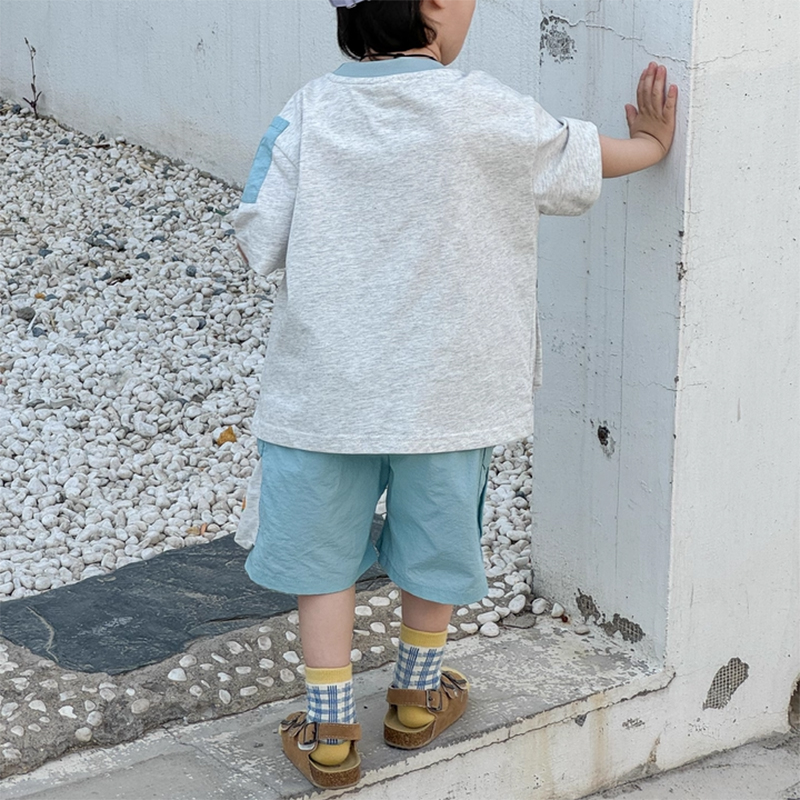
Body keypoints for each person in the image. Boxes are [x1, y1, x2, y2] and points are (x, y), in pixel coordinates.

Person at [232, 0, 677, 789]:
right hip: (448, 393)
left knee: (323, 563)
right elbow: (573, 158)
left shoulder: (307, 110)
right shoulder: (482, 107)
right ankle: (415, 698)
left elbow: (259, 232)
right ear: (434, 6)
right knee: (435, 544)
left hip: (325, 396)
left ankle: (330, 733)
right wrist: (649, 145)